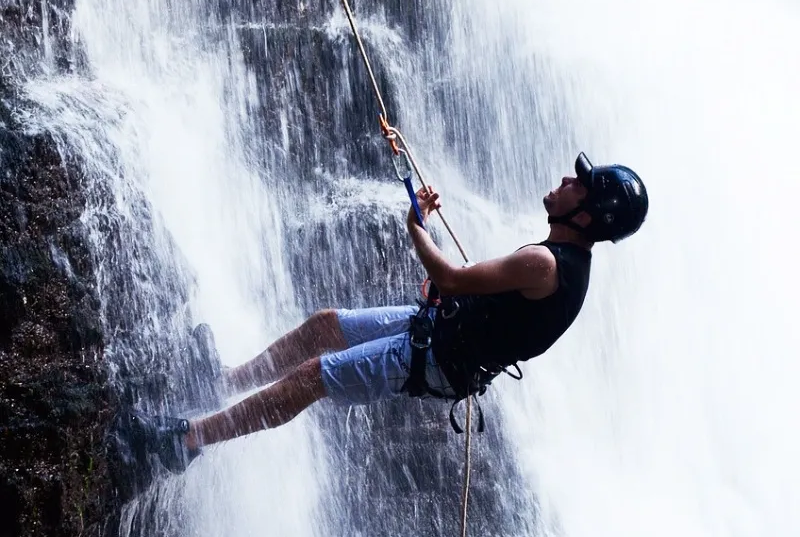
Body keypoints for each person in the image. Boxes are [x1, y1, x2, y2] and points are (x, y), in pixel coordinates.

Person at [126, 152, 649, 473]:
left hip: (439, 357)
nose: (566, 179)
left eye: (579, 185)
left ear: (587, 215)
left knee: (312, 377)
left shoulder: (545, 264)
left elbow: (451, 277)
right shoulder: (564, 264)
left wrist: (415, 225)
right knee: (325, 326)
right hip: (440, 332)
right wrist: (447, 285)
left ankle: (186, 440)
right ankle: (225, 381)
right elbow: (481, 299)